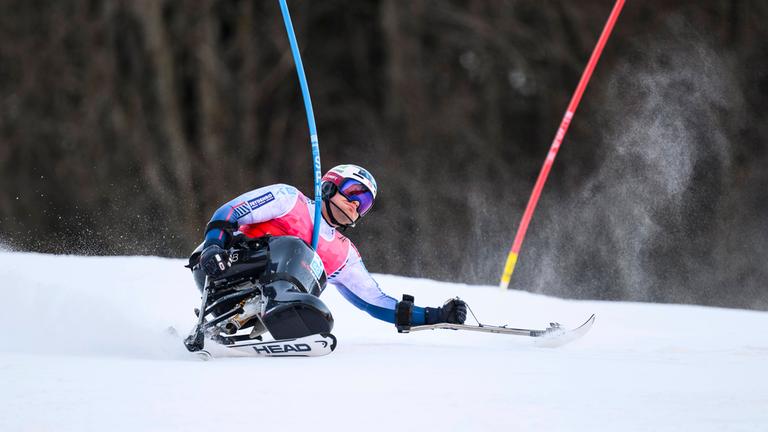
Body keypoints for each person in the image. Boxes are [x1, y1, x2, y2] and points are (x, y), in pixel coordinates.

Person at [193, 164, 466, 333]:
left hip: (260, 297)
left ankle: (273, 315)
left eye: (364, 204)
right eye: (353, 193)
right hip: (223, 265)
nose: (355, 205)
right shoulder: (289, 200)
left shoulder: (343, 253)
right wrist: (214, 246)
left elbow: (374, 301)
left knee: (315, 269)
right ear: (328, 186)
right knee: (297, 248)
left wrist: (435, 316)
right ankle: (283, 305)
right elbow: (231, 212)